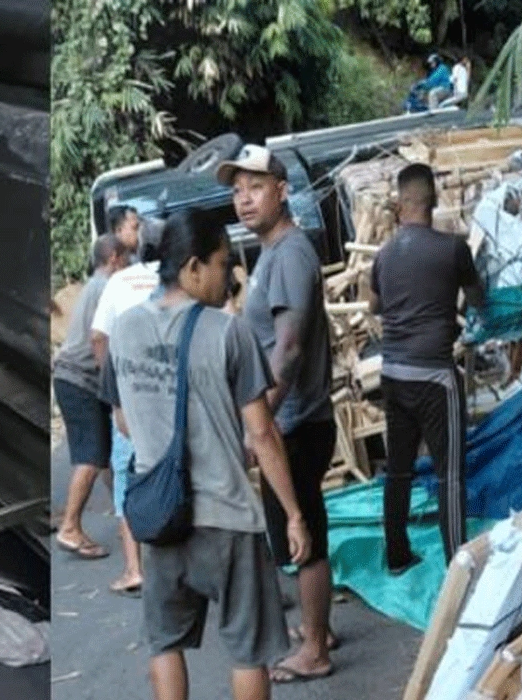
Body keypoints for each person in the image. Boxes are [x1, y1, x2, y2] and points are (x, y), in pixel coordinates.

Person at [100, 208, 310, 700]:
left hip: (159, 515)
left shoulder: (125, 331)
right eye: (222, 264)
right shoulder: (227, 332)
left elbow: (122, 419)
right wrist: (294, 514)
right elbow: (261, 433)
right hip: (228, 520)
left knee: (165, 643)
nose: (230, 277)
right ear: (193, 268)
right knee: (246, 650)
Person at [217, 144, 336, 683]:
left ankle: (315, 649)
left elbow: (287, 349)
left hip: (295, 422)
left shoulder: (289, 255)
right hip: (285, 421)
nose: (244, 200)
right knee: (293, 530)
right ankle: (319, 628)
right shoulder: (272, 253)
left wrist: (260, 419)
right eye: (238, 190)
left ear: (282, 191)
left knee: (304, 532)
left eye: (256, 187)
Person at [369, 163, 485, 573]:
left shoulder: (383, 256)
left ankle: (397, 556)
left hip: (394, 374)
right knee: (450, 474)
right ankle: (460, 568)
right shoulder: (454, 249)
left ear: (400, 204)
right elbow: (478, 300)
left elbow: (374, 307)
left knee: (398, 470)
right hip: (435, 377)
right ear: (434, 201)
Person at [91, 235, 163, 595]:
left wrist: (113, 384)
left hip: (131, 395)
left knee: (125, 477)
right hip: (170, 392)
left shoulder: (118, 282)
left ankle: (135, 569)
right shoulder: (174, 275)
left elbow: (98, 337)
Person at [54, 233, 130, 560]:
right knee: (92, 456)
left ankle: (125, 516)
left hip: (74, 377)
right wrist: (114, 386)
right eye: (125, 258)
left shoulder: (94, 284)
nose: (127, 264)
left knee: (106, 450)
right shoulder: (106, 287)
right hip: (80, 379)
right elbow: (101, 339)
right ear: (113, 257)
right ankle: (70, 526)